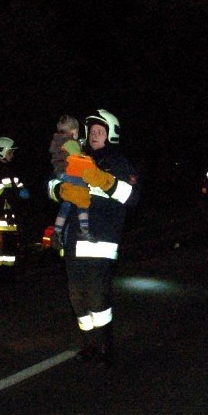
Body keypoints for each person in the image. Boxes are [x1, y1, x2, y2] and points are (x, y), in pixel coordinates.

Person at [47, 109, 139, 366]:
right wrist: (60, 189)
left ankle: (104, 347)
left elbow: (132, 196)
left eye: (101, 132)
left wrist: (106, 182)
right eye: (93, 131)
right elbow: (52, 183)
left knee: (98, 299)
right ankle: (88, 346)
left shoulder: (119, 162)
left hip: (101, 243)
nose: (95, 135)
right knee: (77, 299)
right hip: (73, 243)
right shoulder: (77, 156)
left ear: (111, 135)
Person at [48, 115, 94, 250]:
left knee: (67, 203)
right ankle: (84, 228)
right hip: (69, 173)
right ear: (74, 131)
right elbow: (78, 160)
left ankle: (57, 231)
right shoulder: (71, 143)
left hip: (60, 174)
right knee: (82, 196)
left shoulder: (57, 141)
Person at [0, 136, 29, 267]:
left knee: (11, 247)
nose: (12, 155)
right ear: (1, 151)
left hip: (10, 216)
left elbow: (17, 184)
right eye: (10, 152)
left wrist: (22, 190)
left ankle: (9, 274)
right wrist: (16, 193)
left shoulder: (10, 169)